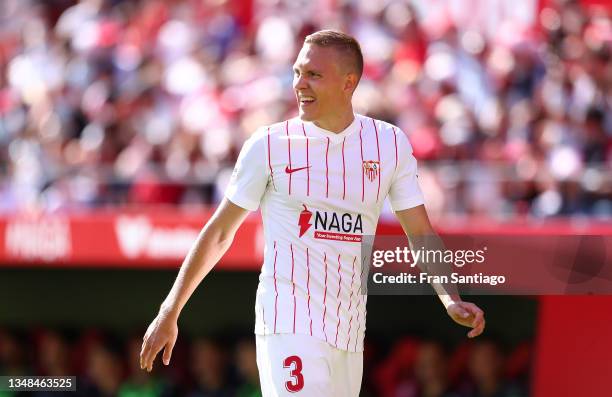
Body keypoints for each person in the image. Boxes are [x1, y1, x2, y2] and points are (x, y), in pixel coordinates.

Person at [139, 30, 485, 397]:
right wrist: (170, 309)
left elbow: (420, 232)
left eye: (313, 75)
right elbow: (221, 232)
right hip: (288, 324)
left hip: (349, 334)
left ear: (349, 82)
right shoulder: (268, 145)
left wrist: (450, 296)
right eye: (297, 72)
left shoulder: (389, 144)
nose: (299, 84)